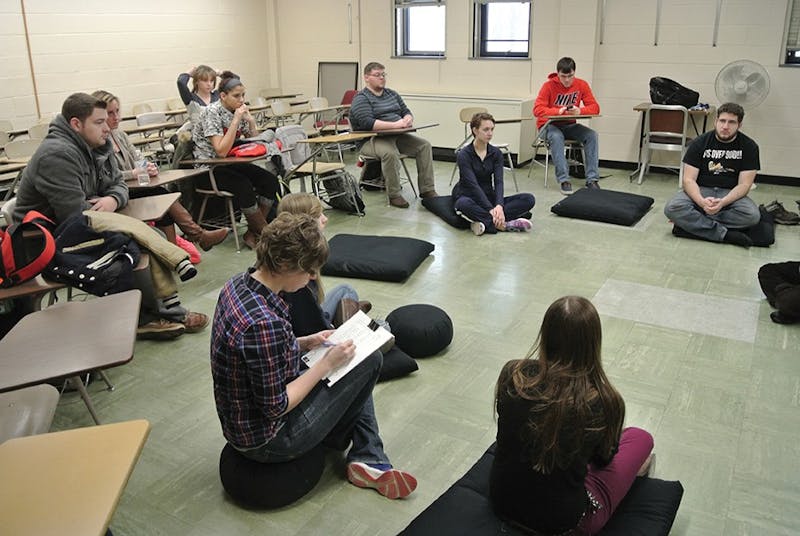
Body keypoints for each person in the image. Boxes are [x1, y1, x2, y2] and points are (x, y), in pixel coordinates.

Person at [210, 212, 417, 499]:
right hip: (269, 440)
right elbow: (275, 406)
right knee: (368, 360)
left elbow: (255, 357)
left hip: (244, 420)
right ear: (284, 263)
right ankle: (368, 455)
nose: (313, 277)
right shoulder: (264, 323)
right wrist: (324, 367)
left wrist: (305, 342)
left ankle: (367, 455)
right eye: (308, 271)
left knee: (352, 357)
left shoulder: (237, 285)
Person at [13, 92, 208, 340]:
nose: (107, 128)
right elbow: (75, 213)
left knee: (145, 237)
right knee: (131, 246)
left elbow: (119, 185)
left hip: (78, 227)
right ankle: (147, 317)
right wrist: (105, 205)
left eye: (107, 120)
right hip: (44, 243)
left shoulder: (96, 146)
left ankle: (163, 310)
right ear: (76, 124)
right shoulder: (57, 155)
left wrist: (111, 199)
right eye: (99, 122)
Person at [491, 296, 654, 535]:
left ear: (546, 334)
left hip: (501, 501)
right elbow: (602, 461)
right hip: (561, 523)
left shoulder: (513, 373)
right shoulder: (606, 400)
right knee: (640, 438)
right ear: (593, 342)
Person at [91, 90, 229, 251]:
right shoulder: (96, 141)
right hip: (116, 193)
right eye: (110, 113)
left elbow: (137, 156)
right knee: (162, 196)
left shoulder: (119, 135)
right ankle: (197, 236)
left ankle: (177, 250)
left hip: (134, 187)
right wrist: (133, 173)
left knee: (164, 202)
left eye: (117, 111)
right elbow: (104, 175)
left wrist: (148, 166)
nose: (116, 117)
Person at [191, 71, 281, 249]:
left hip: (231, 164)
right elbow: (221, 151)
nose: (241, 100)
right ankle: (265, 233)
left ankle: (253, 231)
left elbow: (254, 143)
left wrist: (251, 123)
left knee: (270, 180)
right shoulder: (212, 112)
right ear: (223, 96)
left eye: (243, 95)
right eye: (236, 96)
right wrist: (236, 120)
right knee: (243, 186)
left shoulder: (235, 111)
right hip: (208, 168)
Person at [664, 102, 761, 248]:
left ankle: (693, 225)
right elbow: (688, 180)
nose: (725, 126)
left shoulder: (749, 147)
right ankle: (725, 234)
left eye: (731, 122)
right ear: (716, 121)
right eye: (722, 121)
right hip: (701, 189)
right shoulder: (699, 143)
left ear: (739, 125)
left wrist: (723, 202)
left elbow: (744, 185)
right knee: (671, 208)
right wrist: (702, 202)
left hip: (729, 194)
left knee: (752, 216)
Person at [277, 193, 372, 333]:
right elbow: (308, 328)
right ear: (303, 223)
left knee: (346, 289)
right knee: (381, 331)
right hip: (311, 332)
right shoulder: (297, 274)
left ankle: (349, 315)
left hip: (311, 317)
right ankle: (348, 319)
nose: (325, 219)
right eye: (318, 215)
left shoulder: (282, 250)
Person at [349, 61, 438, 208]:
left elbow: (405, 111)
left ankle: (427, 190)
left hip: (396, 136)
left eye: (383, 74)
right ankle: (394, 195)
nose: (382, 78)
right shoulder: (361, 98)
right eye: (377, 75)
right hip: (371, 140)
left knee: (424, 145)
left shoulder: (392, 94)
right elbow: (367, 123)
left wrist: (408, 118)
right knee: (390, 153)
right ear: (366, 78)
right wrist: (396, 125)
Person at [453, 112, 536, 236]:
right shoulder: (464, 154)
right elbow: (473, 185)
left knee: (528, 199)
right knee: (462, 205)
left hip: (488, 196)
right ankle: (506, 225)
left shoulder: (496, 153)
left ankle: (484, 222)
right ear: (475, 130)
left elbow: (498, 182)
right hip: (469, 196)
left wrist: (498, 206)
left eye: (492, 129)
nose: (490, 133)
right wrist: (490, 209)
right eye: (486, 129)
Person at [533, 57, 601, 195]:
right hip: (548, 126)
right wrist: (557, 111)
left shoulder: (582, 85)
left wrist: (580, 111)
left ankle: (592, 179)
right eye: (563, 76)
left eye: (570, 76)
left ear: (574, 73)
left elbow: (595, 107)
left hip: (569, 125)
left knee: (592, 135)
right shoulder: (548, 86)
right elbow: (537, 110)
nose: (567, 80)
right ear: (558, 74)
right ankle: (564, 179)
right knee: (557, 137)